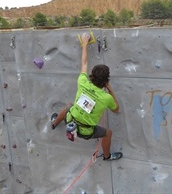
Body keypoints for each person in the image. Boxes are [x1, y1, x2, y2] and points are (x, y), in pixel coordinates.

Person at [51, 33, 122, 161]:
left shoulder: (82, 82)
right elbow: (116, 109)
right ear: (106, 81)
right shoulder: (106, 98)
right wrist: (110, 90)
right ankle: (107, 156)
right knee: (108, 133)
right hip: (85, 132)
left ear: (92, 76)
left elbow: (84, 62)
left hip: (70, 120)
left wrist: (85, 43)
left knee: (68, 106)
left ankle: (54, 123)